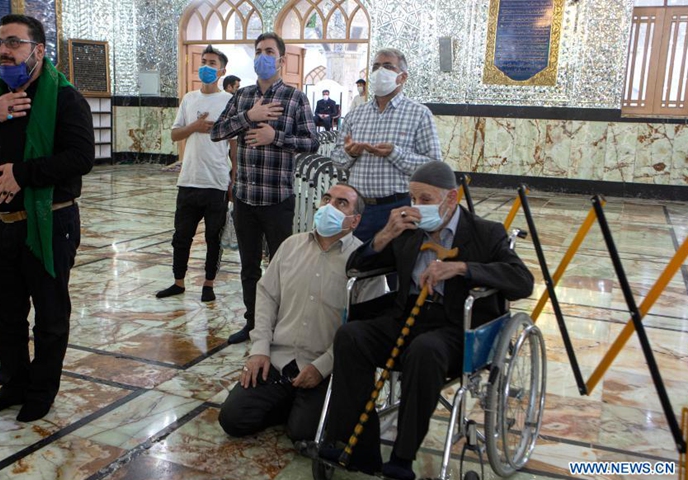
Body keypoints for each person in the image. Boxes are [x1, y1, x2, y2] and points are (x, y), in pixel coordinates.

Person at [320, 162, 534, 480]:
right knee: (351, 336)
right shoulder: (408, 232)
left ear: (452, 197)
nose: (417, 207)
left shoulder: (484, 232)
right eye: (413, 198)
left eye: (425, 199)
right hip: (406, 315)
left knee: (424, 350)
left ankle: (402, 458)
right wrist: (385, 235)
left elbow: (522, 280)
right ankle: (359, 450)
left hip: (457, 326)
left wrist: (462, 268)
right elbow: (356, 267)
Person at [0, 14, 94, 422]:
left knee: (49, 316)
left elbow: (81, 158)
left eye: (13, 42)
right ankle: (13, 383)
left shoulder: (65, 98)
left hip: (50, 225)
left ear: (38, 51)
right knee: (1, 313)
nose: (3, 51)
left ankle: (41, 390)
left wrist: (22, 175)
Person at [218, 184, 384, 441]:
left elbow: (363, 326)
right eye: (327, 199)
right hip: (278, 359)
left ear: (355, 220)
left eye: (341, 203)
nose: (330, 206)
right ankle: (291, 403)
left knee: (303, 434)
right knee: (233, 419)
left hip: (324, 367)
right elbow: (267, 296)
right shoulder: (291, 246)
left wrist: (322, 367)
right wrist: (260, 349)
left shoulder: (362, 262)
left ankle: (302, 409)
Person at [211, 32, 319, 344]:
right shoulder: (242, 96)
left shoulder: (295, 98)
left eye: (269, 51)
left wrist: (277, 138)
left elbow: (312, 143)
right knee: (249, 268)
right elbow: (217, 132)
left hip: (277, 199)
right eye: (259, 51)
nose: (263, 56)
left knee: (281, 267)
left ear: (282, 59)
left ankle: (281, 326)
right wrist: (249, 117)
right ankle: (253, 323)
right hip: (245, 197)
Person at [331, 48, 442, 244]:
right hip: (358, 208)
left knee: (395, 269)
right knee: (356, 263)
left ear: (402, 76)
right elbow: (337, 160)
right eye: (375, 67)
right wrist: (349, 154)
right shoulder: (356, 114)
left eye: (388, 66)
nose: (380, 71)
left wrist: (395, 153)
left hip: (397, 208)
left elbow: (434, 167)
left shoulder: (419, 114)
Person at [156, 45, 236, 302]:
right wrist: (195, 126)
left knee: (213, 237)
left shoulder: (228, 101)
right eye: (203, 61)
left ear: (222, 70)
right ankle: (178, 282)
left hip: (216, 180)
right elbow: (175, 133)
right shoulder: (189, 99)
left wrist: (235, 178)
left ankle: (208, 284)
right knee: (181, 237)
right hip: (189, 179)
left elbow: (234, 144)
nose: (206, 66)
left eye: (212, 63)